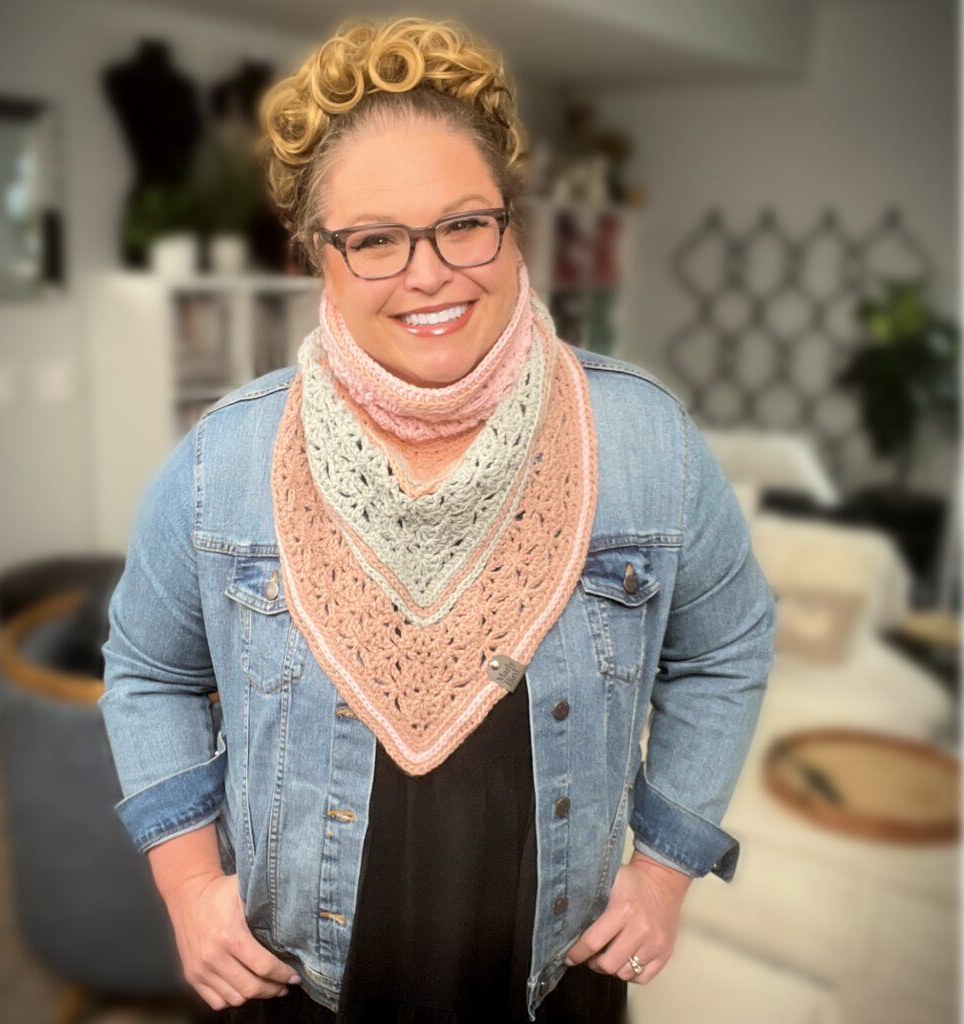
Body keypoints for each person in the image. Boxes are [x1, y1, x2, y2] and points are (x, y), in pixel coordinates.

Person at [97, 15, 778, 1024]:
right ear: (314, 254)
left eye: (463, 223)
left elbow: (726, 645)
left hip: (556, 986)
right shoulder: (224, 462)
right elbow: (149, 669)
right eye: (375, 239)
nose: (428, 274)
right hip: (294, 992)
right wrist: (190, 887)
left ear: (511, 223)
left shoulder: (641, 441)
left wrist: (666, 865)